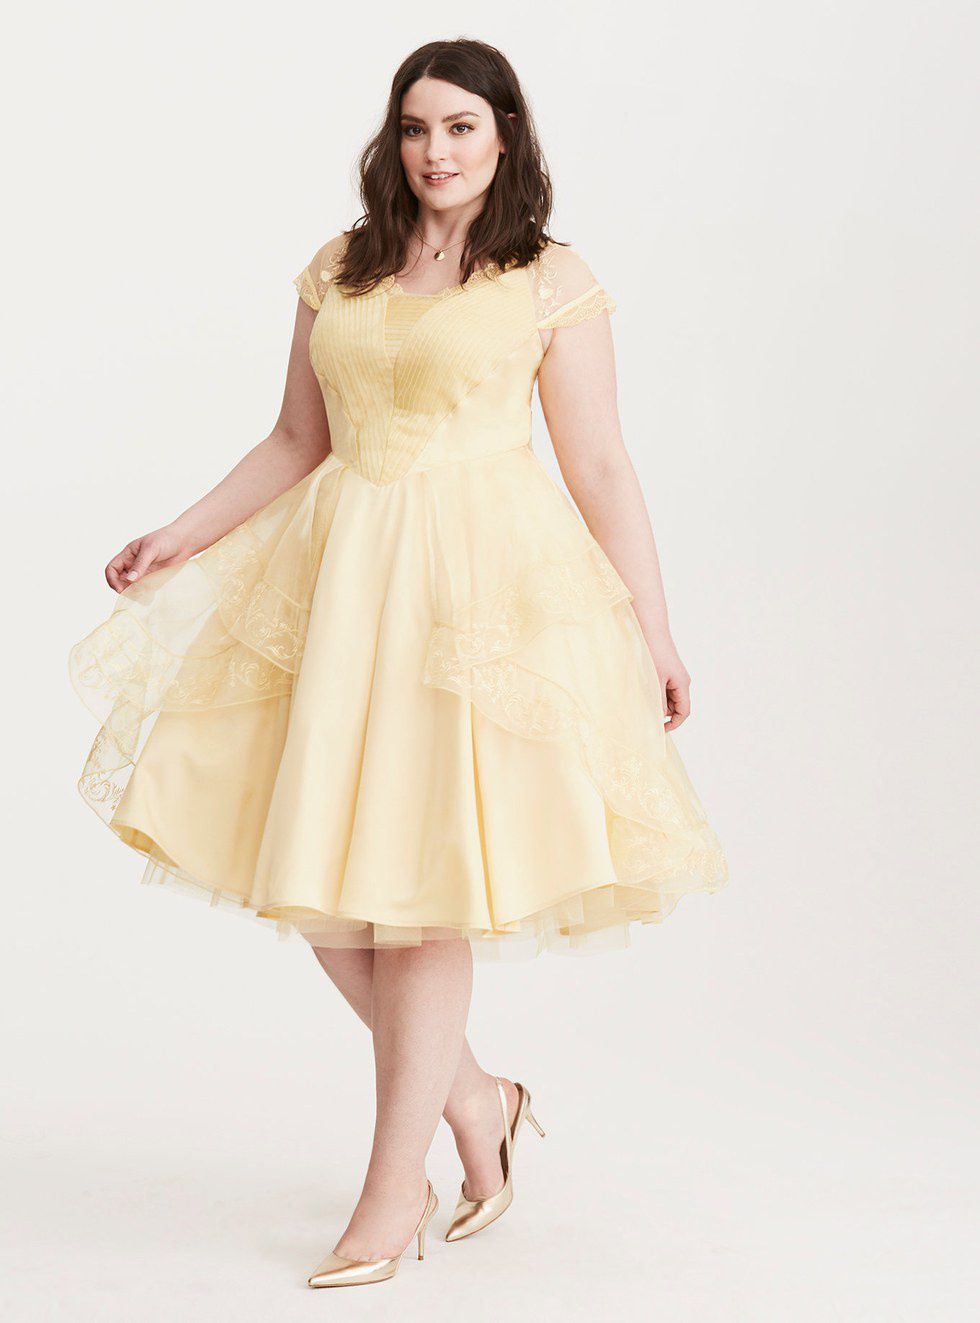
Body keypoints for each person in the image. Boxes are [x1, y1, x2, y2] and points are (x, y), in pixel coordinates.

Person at [68, 37, 728, 1289]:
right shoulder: (342, 264)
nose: (436, 150)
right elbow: (294, 437)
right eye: (418, 127)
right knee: (318, 881)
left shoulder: (546, 277)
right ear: (394, 137)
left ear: (504, 136)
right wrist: (180, 533)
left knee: (424, 887)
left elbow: (598, 463)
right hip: (344, 580)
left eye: (461, 127)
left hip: (478, 588)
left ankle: (390, 1191)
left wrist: (650, 626)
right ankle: (475, 1097)